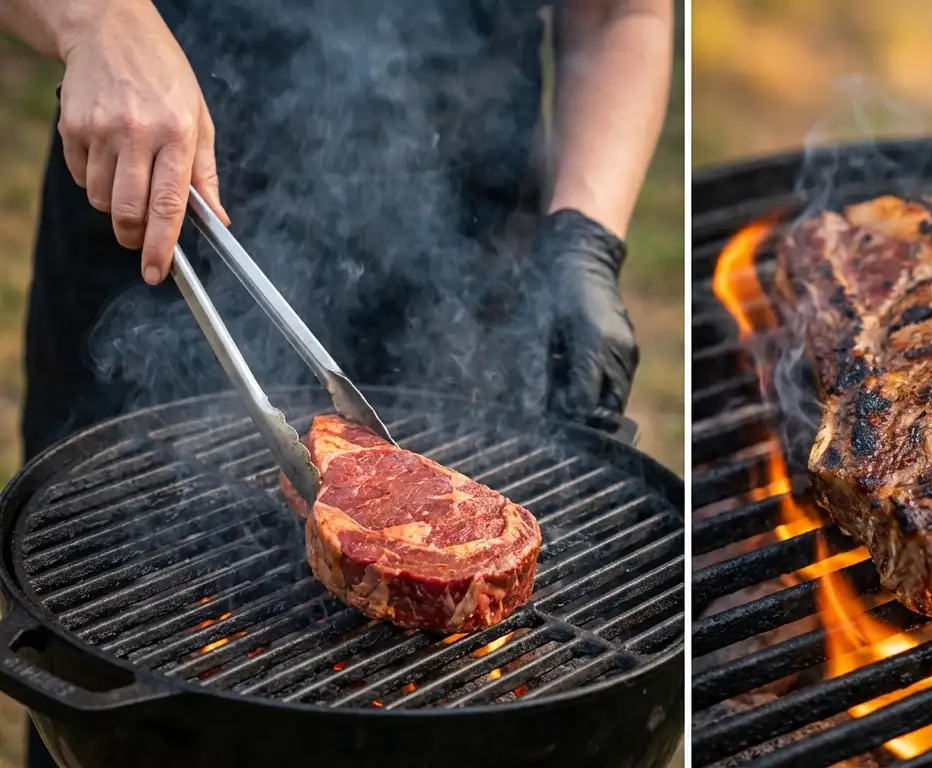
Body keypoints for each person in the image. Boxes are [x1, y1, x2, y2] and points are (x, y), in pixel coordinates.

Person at [0, 0, 672, 765]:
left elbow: (625, 14)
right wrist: (95, 23)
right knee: (107, 639)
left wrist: (583, 238)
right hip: (150, 199)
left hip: (460, 264)